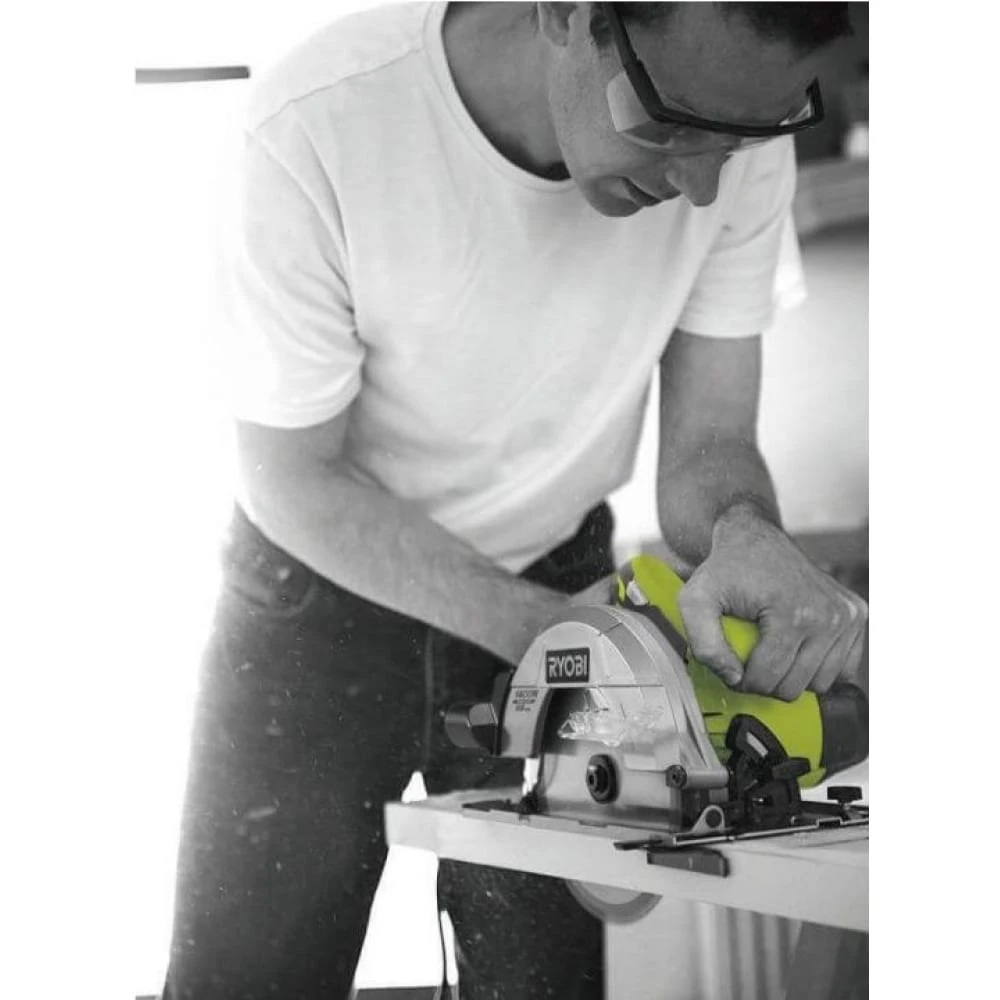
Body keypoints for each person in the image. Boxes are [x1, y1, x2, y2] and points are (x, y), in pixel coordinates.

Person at [163, 3, 867, 997]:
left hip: (558, 569)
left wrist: (741, 530)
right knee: (247, 981)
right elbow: (292, 476)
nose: (701, 182)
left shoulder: (736, 124)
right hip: (318, 598)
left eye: (741, 139)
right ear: (566, 13)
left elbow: (710, 444)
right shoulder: (314, 125)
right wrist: (558, 638)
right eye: (670, 123)